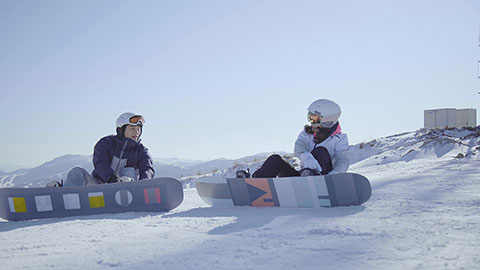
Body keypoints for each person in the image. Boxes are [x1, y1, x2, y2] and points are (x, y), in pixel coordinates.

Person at [236, 99, 349, 178]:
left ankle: (313, 176)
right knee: (275, 159)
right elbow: (299, 144)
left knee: (320, 151)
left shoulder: (339, 139)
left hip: (322, 179)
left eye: (315, 119)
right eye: (310, 117)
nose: (311, 122)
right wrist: (306, 155)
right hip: (303, 176)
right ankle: (257, 181)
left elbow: (342, 160)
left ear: (328, 120)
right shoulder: (307, 133)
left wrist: (334, 175)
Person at [47, 112, 155, 187]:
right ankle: (62, 192)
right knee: (76, 172)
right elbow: (100, 162)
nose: (136, 132)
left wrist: (144, 183)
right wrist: (111, 178)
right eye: (132, 129)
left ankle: (133, 190)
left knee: (128, 171)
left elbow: (147, 168)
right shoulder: (106, 143)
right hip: (98, 186)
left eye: (138, 129)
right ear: (121, 129)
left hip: (126, 189)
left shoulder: (141, 150)